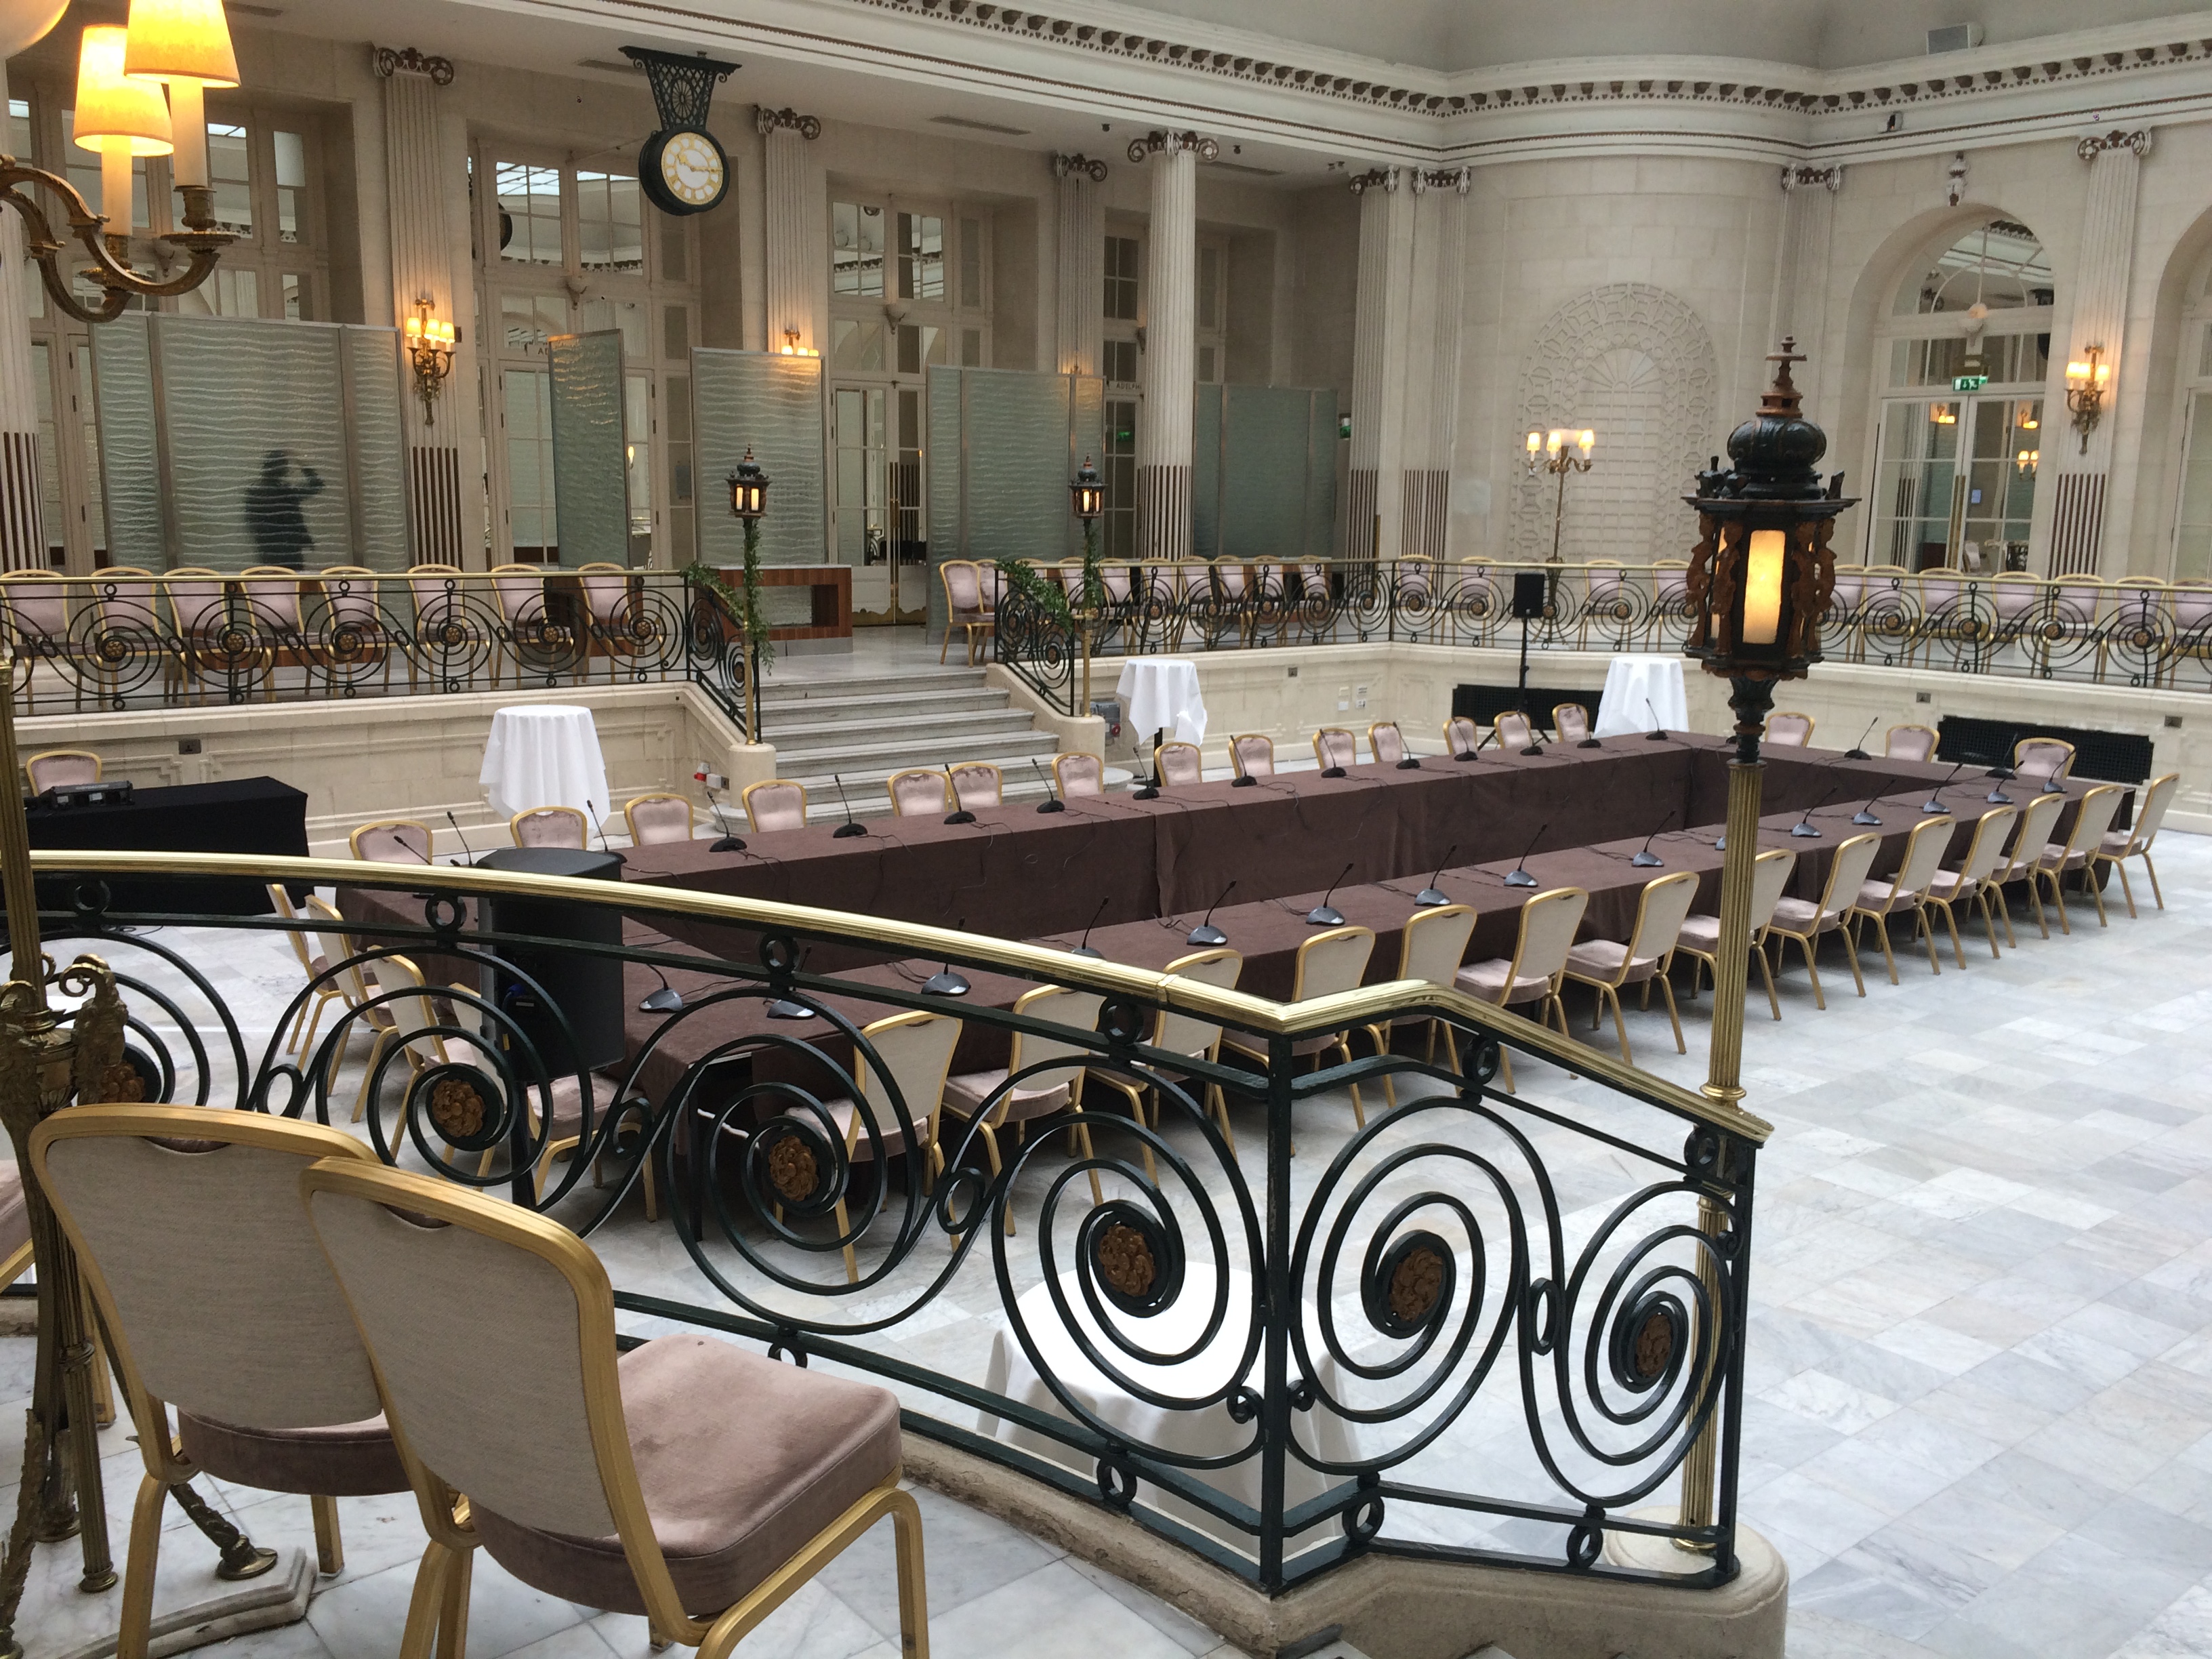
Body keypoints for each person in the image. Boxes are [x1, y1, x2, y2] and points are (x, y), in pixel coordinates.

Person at [243, 449, 324, 569]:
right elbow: (316, 485)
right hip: (289, 550)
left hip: (269, 550)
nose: (287, 470)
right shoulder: (285, 492)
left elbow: (253, 524)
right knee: (293, 582)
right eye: (284, 466)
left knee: (275, 583)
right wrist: (301, 461)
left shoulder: (255, 493)